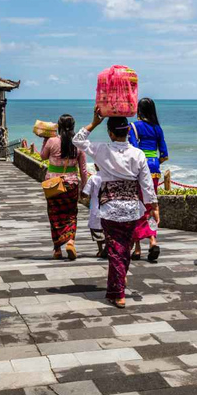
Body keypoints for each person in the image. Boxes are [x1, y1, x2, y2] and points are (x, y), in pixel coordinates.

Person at [74, 107, 159, 308]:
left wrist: (94, 122)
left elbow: (77, 140)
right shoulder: (138, 154)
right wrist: (153, 206)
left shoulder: (102, 149)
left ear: (110, 133)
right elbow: (146, 184)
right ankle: (117, 287)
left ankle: (118, 291)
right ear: (128, 131)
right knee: (123, 249)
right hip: (131, 209)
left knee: (115, 250)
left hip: (110, 208)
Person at [41, 114, 87, 260]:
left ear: (59, 127)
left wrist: (44, 140)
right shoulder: (79, 144)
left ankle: (57, 250)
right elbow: (83, 170)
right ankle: (71, 242)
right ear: (73, 126)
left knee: (54, 215)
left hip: (54, 184)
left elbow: (43, 156)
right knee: (71, 214)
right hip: (71, 184)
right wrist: (84, 189)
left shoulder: (52, 141)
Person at [128, 98, 168, 262]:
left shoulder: (134, 126)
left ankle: (137, 248)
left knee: (137, 207)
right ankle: (153, 240)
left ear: (139, 110)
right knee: (151, 206)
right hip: (154, 171)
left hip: (139, 169)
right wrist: (155, 161)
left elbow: (132, 149)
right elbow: (164, 154)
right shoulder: (157, 128)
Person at [81, 164, 106, 258]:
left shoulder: (93, 178)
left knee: (97, 230)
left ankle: (100, 250)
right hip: (109, 208)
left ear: (96, 166)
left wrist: (82, 195)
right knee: (108, 230)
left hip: (96, 208)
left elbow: (85, 193)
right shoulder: (111, 177)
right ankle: (108, 246)